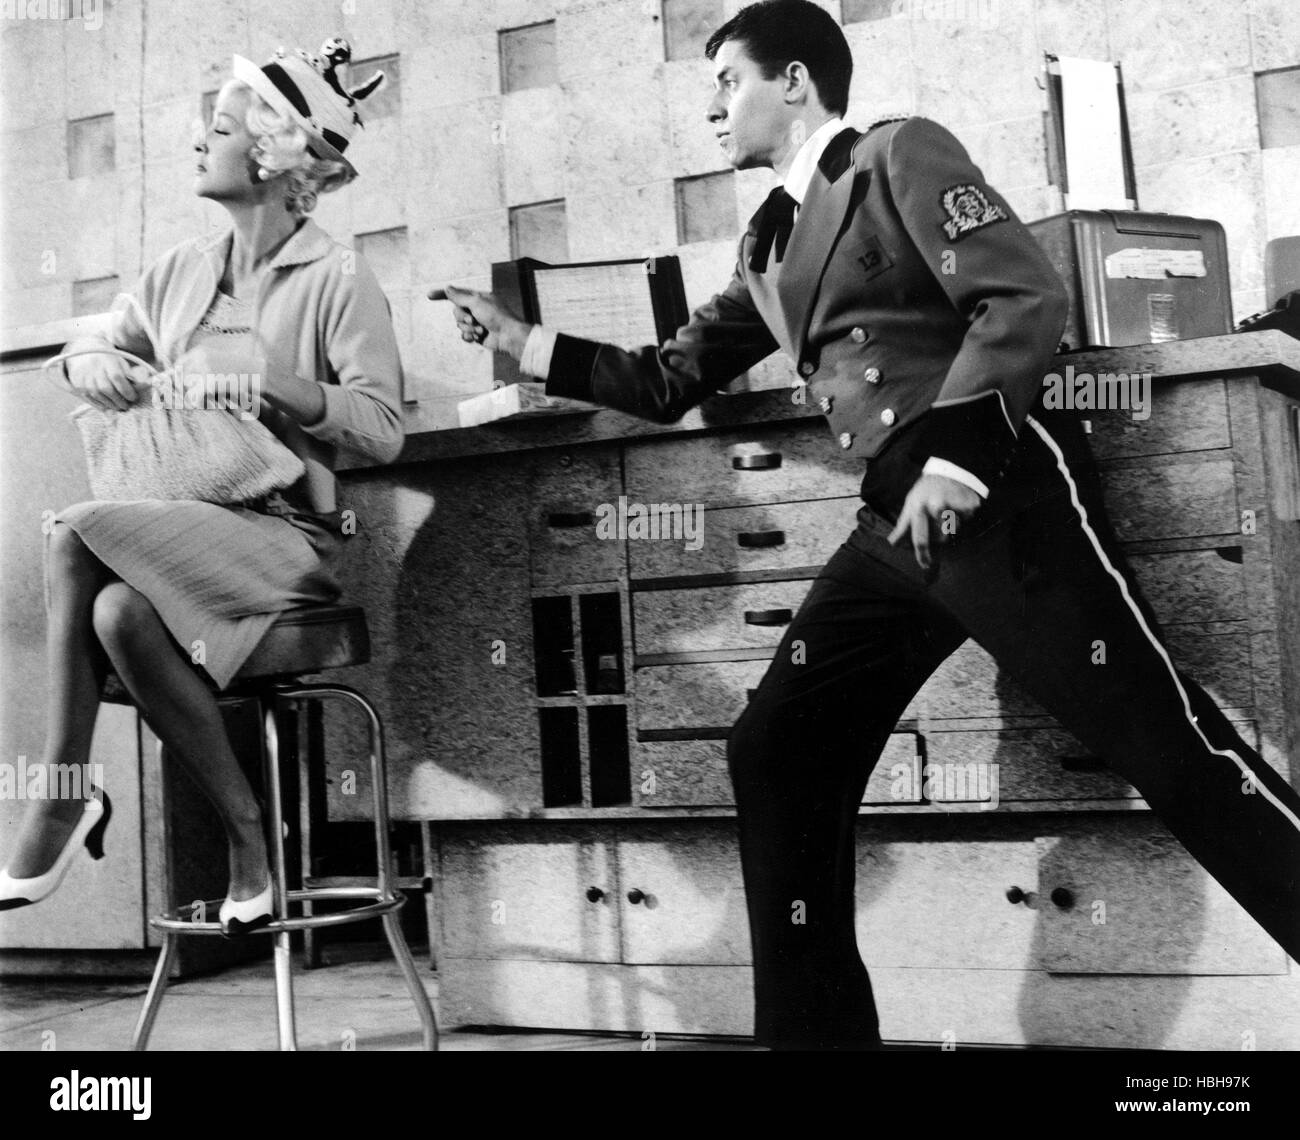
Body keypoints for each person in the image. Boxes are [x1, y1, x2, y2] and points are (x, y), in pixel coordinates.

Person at [444, 0, 1300, 1049]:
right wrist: (525, 342)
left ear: (793, 81)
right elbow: (666, 379)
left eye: (727, 83)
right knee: (778, 746)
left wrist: (954, 455)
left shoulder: (895, 155)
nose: (712, 110)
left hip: (991, 489)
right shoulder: (766, 242)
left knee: (1171, 750)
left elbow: (1020, 299)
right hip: (894, 522)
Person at [0, 39, 402, 937]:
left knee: (70, 532)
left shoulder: (336, 276)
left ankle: (61, 798)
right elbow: (88, 348)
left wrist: (274, 383)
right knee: (116, 616)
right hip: (184, 524)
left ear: (270, 152)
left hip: (288, 541)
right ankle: (250, 837)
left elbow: (382, 426)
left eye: (216, 127)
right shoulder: (180, 270)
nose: (197, 141)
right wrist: (96, 363)